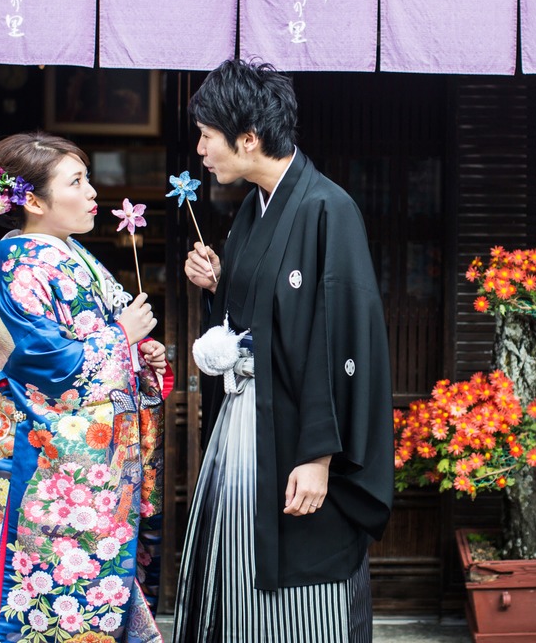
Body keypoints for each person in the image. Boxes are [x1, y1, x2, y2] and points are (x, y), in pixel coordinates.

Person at [173, 59, 395, 643]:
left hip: (300, 433)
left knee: (305, 582)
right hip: (249, 422)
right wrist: (219, 285)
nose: (200, 150)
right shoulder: (255, 205)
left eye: (207, 136)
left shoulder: (328, 208)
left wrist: (319, 457)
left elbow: (340, 339)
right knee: (241, 569)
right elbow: (259, 320)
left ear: (248, 139)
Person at [0, 131, 169, 643]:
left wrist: (141, 354)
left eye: (87, 178)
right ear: (32, 201)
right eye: (76, 181)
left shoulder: (73, 258)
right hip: (63, 468)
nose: (93, 192)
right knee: (68, 588)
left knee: (108, 586)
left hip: (105, 460)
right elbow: (49, 369)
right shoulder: (24, 275)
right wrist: (120, 339)